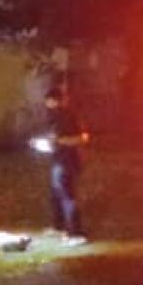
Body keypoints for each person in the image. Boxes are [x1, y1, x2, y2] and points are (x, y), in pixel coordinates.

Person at [42, 86, 90, 244]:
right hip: (58, 159)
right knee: (56, 194)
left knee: (67, 196)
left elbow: (82, 138)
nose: (48, 105)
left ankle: (76, 233)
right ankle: (59, 226)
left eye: (50, 101)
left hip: (68, 161)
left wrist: (60, 141)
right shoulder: (54, 116)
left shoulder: (70, 116)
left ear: (57, 101)